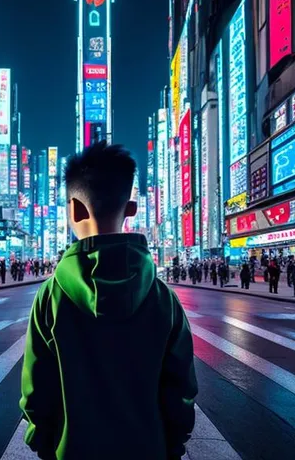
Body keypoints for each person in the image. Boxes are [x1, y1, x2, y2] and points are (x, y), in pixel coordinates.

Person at [20, 142, 197, 460]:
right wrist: (171, 445)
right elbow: (180, 390)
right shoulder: (164, 300)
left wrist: (46, 444)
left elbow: (35, 393)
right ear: (132, 209)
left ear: (74, 210)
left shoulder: (50, 297)